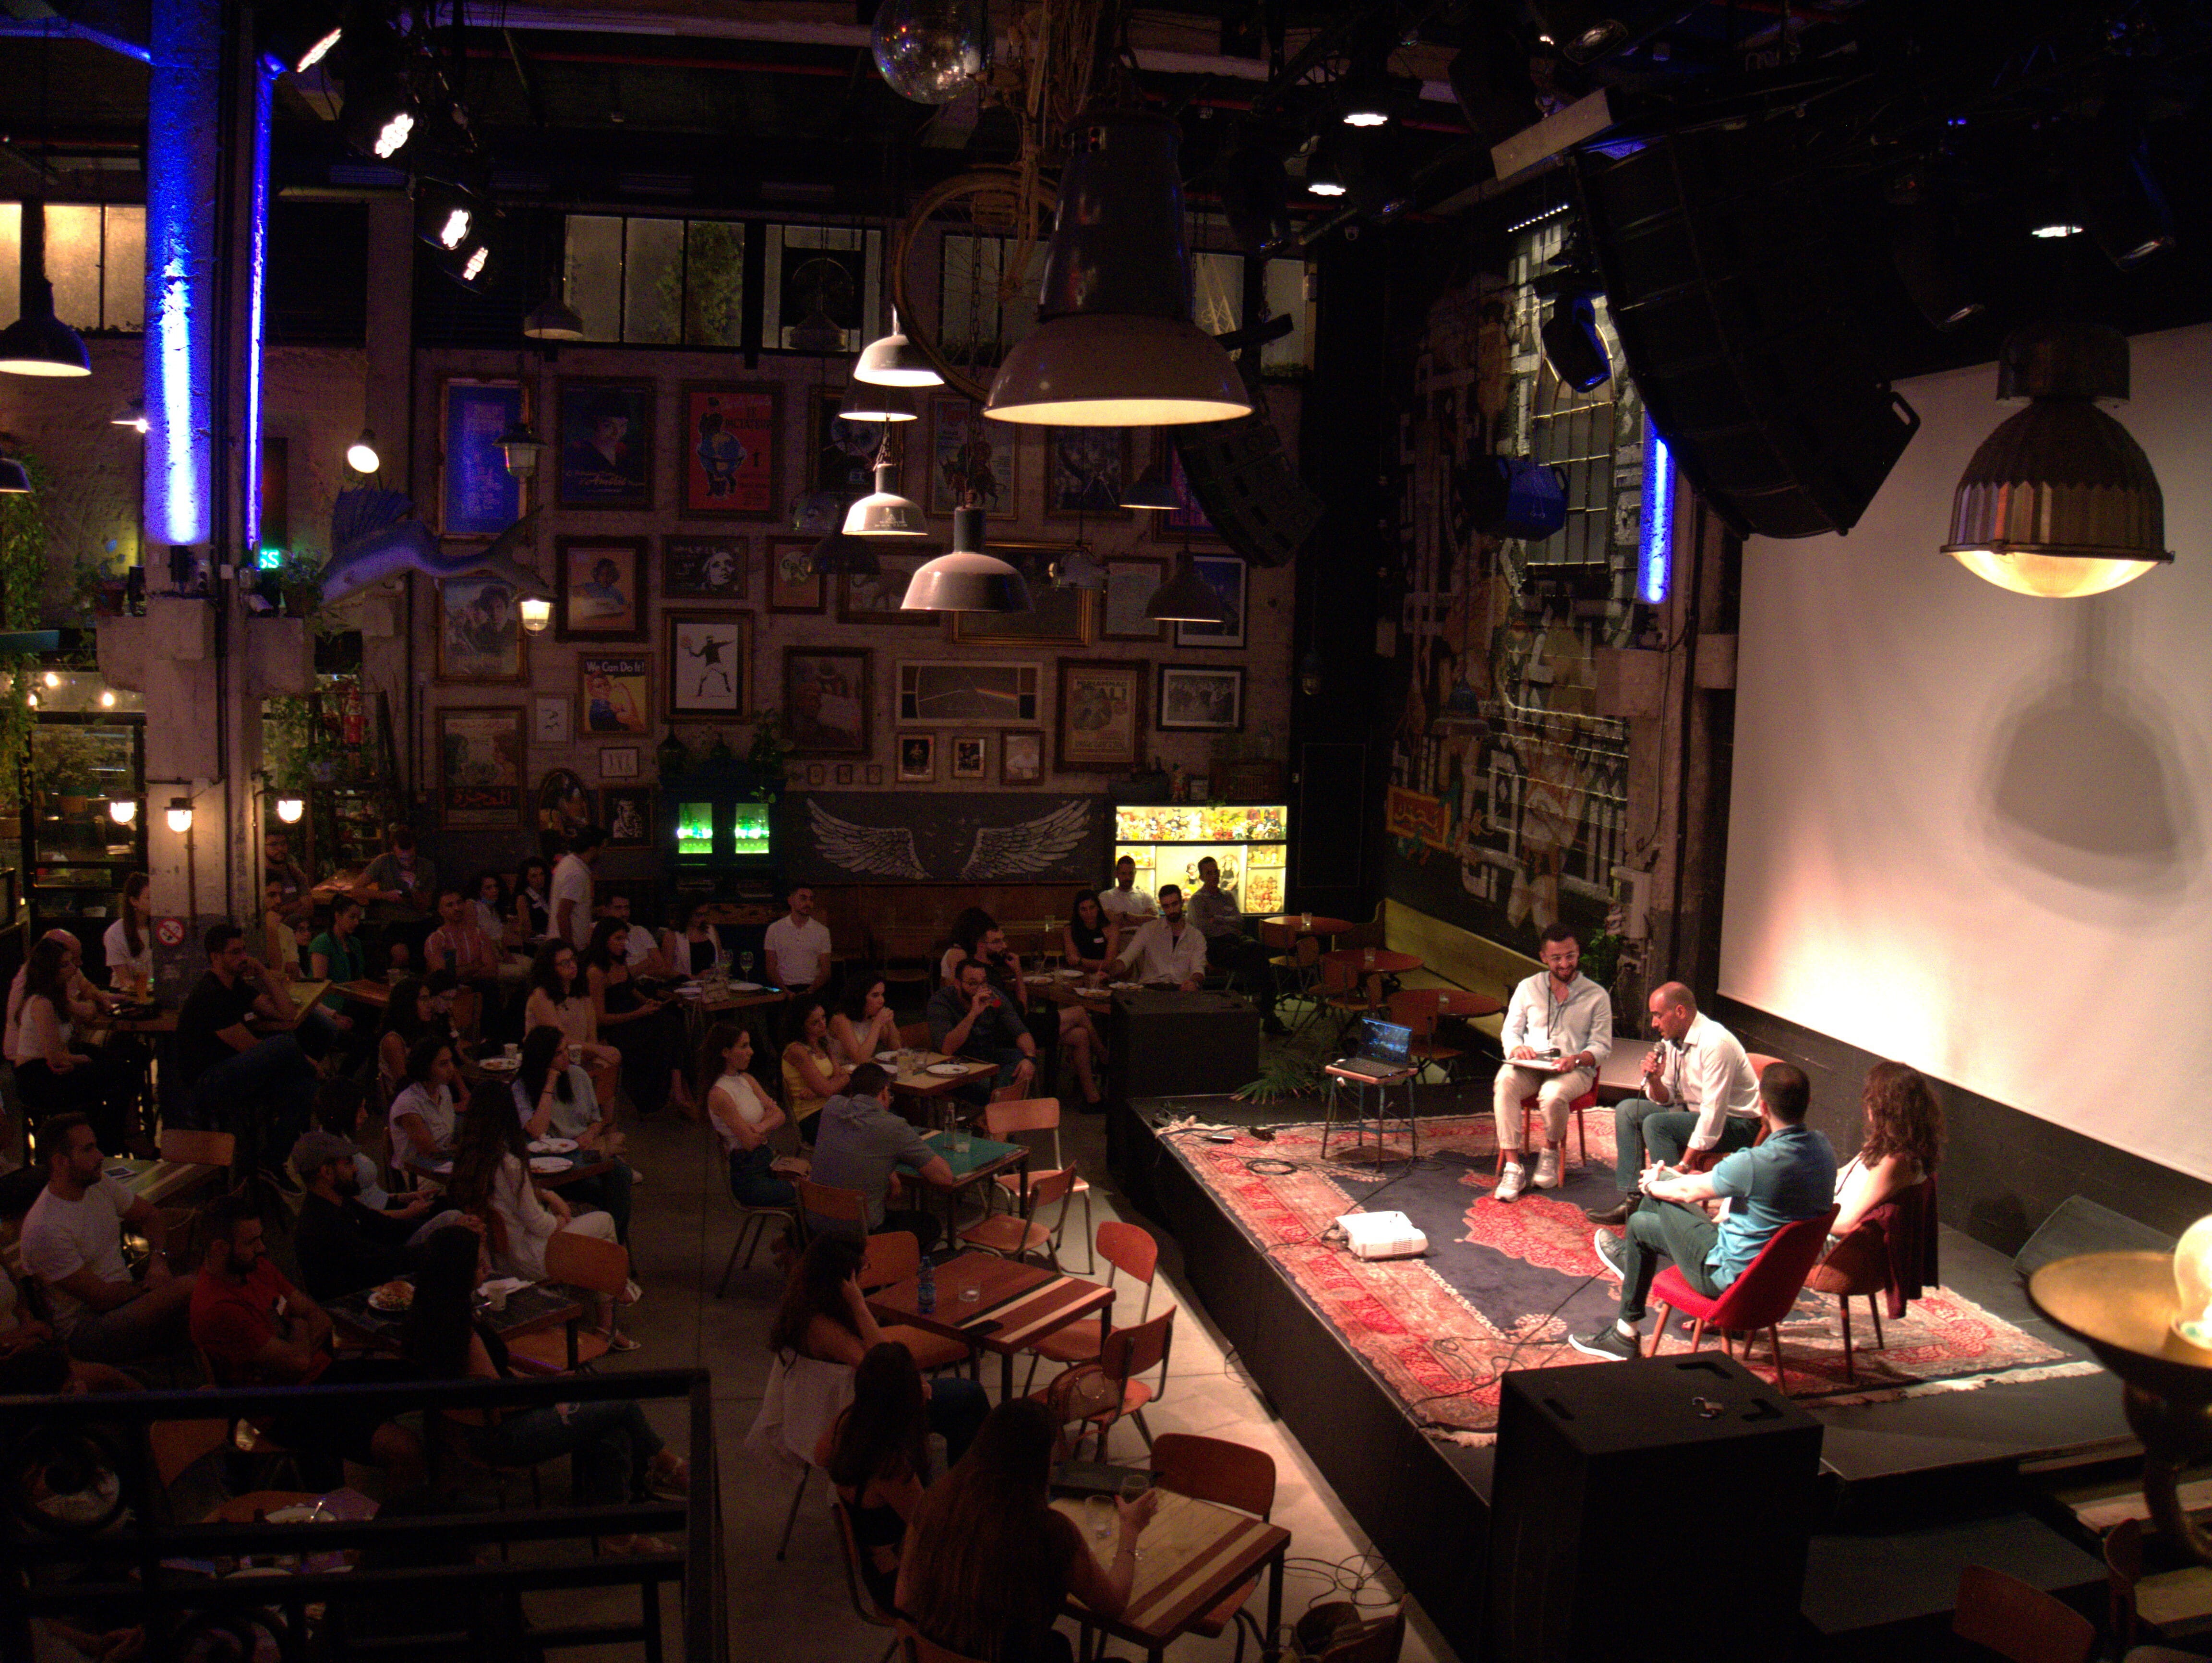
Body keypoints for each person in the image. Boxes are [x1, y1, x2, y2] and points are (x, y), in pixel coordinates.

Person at [399, 1225, 685, 1555]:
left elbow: (498, 1378)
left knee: (611, 1427)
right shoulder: (460, 1331)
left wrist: (545, 1381)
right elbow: (498, 1400)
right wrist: (550, 1390)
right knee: (618, 1402)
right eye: (480, 1265)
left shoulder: (432, 1314)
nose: (489, 1270)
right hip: (498, 1437)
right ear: (458, 1272)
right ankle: (668, 1469)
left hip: (470, 1426)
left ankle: (621, 1526)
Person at [1572, 1061, 1837, 1361]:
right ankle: (1631, 1267)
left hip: (1726, 1282)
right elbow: (1701, 1186)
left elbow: (1687, 1193)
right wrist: (1669, 1180)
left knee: (1646, 1214)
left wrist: (1651, 1184)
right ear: (1809, 1103)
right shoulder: (1823, 1151)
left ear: (1762, 1107)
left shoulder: (1756, 1163)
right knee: (1647, 1217)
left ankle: (1625, 1329)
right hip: (1773, 1286)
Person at [897, 1398, 1157, 1663]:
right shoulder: (1049, 1532)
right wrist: (1130, 1528)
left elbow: (902, 1602)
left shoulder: (933, 1504)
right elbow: (1113, 1605)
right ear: (1039, 1463)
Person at [190, 1194, 426, 1484]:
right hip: (284, 1409)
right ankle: (405, 1520)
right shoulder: (218, 1308)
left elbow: (319, 1317)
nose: (263, 1248)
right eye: (252, 1242)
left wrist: (296, 1332)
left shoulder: (255, 1268)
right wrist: (300, 1323)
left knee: (425, 1375)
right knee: (405, 1449)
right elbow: (299, 1360)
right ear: (219, 1248)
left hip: (321, 1376)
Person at [444, 1078, 635, 1351]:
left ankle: (614, 1301)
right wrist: (560, 1218)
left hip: (499, 1258)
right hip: (530, 1259)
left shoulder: (467, 1160)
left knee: (590, 1233)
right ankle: (607, 1324)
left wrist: (547, 1195)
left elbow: (511, 1206)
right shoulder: (508, 1164)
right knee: (604, 1222)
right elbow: (539, 1225)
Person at [770, 1236, 986, 1463]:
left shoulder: (806, 1307)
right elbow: (883, 1367)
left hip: (859, 1403)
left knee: (962, 1398)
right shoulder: (822, 1328)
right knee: (970, 1399)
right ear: (844, 1281)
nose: (864, 1276)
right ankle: (962, 1485)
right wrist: (859, 1304)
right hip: (861, 1419)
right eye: (861, 1270)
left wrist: (913, 1381)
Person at [21, 1112, 196, 1364]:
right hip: (87, 1331)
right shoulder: (46, 1227)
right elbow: (101, 1298)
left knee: (217, 1288)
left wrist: (159, 1262)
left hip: (124, 1301)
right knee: (192, 1289)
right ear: (60, 1163)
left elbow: (150, 1216)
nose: (100, 1156)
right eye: (88, 1150)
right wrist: (150, 1289)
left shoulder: (98, 1183)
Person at [1587, 982, 1761, 1228]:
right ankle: (1634, 1199)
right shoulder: (1672, 1042)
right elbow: (1667, 1098)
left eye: (1658, 1016)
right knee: (1629, 1110)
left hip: (1737, 1125)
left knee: (1658, 1124)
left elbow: (1713, 1115)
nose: (1653, 1024)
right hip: (1694, 1113)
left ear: (1680, 1012)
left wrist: (1685, 1165)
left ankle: (1672, 1208)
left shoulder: (1715, 1044)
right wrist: (1656, 1080)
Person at [1492, 922, 1615, 1203]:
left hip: (1575, 1070)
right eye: (1557, 958)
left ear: (1578, 954)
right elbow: (1510, 1031)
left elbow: (1602, 1047)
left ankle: (1550, 1151)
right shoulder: (1528, 988)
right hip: (1532, 1066)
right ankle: (1513, 1166)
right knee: (1505, 1081)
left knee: (1553, 1094)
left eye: (1569, 956)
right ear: (1544, 957)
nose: (1564, 963)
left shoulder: (1597, 995)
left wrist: (1578, 1059)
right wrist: (1516, 1048)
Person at [176, 922, 320, 1150]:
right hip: (207, 1081)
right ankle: (326, 1084)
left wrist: (263, 972)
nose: (243, 957)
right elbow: (250, 1047)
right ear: (215, 957)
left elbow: (287, 1014)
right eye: (235, 952)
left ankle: (273, 1162)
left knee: (303, 1088)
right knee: (284, 1045)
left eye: (244, 950)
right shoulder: (211, 994)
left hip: (234, 1070)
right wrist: (305, 1060)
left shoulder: (236, 986)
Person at [289, 1128, 470, 1301]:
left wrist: (449, 1231)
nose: (355, 1170)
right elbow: (379, 1260)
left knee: (453, 1219)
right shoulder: (322, 1223)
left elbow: (385, 1226)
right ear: (327, 1172)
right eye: (348, 1163)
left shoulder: (340, 1202)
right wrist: (443, 1246)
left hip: (382, 1271)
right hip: (360, 1299)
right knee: (453, 1243)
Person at [817, 1341, 932, 1612]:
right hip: (900, 1583)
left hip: (876, 1567)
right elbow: (931, 1527)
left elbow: (821, 1456)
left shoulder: (847, 1422)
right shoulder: (891, 1469)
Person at [806, 1064, 958, 1253]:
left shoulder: (832, 1107)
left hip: (816, 1222)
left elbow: (859, 1145)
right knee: (930, 1225)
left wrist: (890, 1170)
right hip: (861, 1233)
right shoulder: (893, 1126)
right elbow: (944, 1177)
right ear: (885, 1092)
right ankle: (889, 1275)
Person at [13, 936, 136, 1154]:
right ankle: (107, 1143)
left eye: (71, 962)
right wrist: (83, 1060)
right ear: (49, 970)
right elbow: (56, 1057)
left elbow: (85, 1009)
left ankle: (107, 1138)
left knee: (120, 1064)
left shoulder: (57, 997)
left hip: (52, 1067)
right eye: (65, 964)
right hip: (37, 1076)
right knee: (121, 1075)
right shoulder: (42, 1003)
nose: (73, 968)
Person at [513, 1024, 634, 1241]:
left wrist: (589, 1135)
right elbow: (537, 1129)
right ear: (543, 1057)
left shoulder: (578, 1075)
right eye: (559, 1053)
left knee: (621, 1176)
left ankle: (613, 1246)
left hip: (584, 1154)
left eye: (567, 1050)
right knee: (603, 1191)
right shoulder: (522, 1087)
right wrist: (550, 1083)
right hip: (551, 1162)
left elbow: (597, 1120)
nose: (566, 1057)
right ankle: (603, 1247)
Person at [586, 916, 691, 1117]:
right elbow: (600, 1018)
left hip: (634, 1016)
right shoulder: (596, 973)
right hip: (617, 1026)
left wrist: (648, 1002)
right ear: (604, 940)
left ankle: (677, 1088)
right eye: (618, 939)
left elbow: (630, 990)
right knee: (666, 1029)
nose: (623, 943)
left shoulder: (620, 963)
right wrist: (638, 1013)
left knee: (672, 1020)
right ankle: (674, 1091)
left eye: (625, 939)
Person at [1831, 1060, 1944, 1241]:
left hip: (1834, 1242)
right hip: (1830, 1216)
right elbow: (1842, 1174)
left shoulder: (1895, 1160)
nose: (1867, 1106)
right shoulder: (1890, 1144)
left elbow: (1847, 1225)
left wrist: (1808, 1221)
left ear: (1884, 1108)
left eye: (1871, 1101)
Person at [1186, 857, 1286, 1035]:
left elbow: (1240, 922)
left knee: (1258, 949)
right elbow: (1203, 928)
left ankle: (1262, 1006)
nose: (1214, 876)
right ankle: (1267, 1010)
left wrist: (1218, 919)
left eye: (1216, 871)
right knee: (1256, 961)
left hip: (1235, 939)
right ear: (1201, 877)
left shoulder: (1227, 896)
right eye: (1209, 873)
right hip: (1214, 945)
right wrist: (1227, 923)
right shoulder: (1197, 900)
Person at [705, 1022, 797, 1208]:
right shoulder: (720, 1094)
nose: (751, 1052)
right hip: (748, 1174)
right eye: (744, 1046)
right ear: (726, 1053)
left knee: (815, 1185)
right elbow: (749, 1142)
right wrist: (767, 1122)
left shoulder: (747, 1079)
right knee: (808, 1194)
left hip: (767, 1160)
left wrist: (759, 1127)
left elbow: (780, 1115)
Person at [524, 940, 622, 1110]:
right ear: (550, 968)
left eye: (573, 959)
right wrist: (598, 1050)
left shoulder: (581, 994)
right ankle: (594, 1119)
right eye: (565, 963)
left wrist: (598, 1052)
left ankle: (604, 1122)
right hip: (552, 1059)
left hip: (579, 1055)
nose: (572, 966)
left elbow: (592, 1037)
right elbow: (559, 1039)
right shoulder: (541, 996)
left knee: (613, 1057)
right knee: (597, 1061)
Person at [927, 957, 1039, 1104]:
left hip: (986, 1058)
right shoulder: (941, 1002)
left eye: (984, 982)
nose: (980, 989)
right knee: (993, 1086)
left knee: (1021, 1059)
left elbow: (1020, 1031)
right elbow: (947, 1048)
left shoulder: (994, 998)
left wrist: (1030, 1059)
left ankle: (1001, 1098)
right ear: (958, 984)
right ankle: (1005, 1099)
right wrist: (973, 1014)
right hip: (955, 1066)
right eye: (973, 984)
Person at [425, 884, 505, 1039]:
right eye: (450, 905)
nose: (457, 908)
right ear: (441, 911)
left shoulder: (479, 934)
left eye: (459, 903)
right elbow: (444, 977)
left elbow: (492, 970)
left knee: (490, 987)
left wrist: (461, 972)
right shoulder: (436, 940)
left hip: (479, 987)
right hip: (449, 992)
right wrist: (475, 966)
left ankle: (490, 1043)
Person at [357, 822, 438, 967]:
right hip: (393, 922)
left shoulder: (426, 867)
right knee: (401, 956)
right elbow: (356, 889)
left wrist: (414, 889)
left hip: (420, 921)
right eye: (402, 859)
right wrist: (386, 896)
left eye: (411, 858)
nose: (407, 863)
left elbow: (424, 907)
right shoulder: (384, 862)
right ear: (394, 852)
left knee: (432, 957)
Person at [1106, 884, 1206, 991]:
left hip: (1180, 989)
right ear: (1162, 907)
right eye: (1167, 906)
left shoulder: (1195, 936)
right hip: (1150, 987)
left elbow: (1198, 969)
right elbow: (1128, 956)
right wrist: (1110, 971)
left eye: (1175, 904)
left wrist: (1193, 982)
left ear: (1182, 903)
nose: (1172, 910)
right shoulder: (1149, 929)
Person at [388, 1034, 461, 1173]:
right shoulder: (409, 1105)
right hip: (419, 1171)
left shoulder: (444, 1090)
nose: (451, 1069)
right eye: (443, 1064)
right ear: (425, 1068)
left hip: (444, 1162)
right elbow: (430, 1154)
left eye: (451, 1062)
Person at [782, 999, 850, 1144]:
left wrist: (817, 1090)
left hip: (831, 1106)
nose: (823, 1024)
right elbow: (829, 1089)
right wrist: (846, 1078)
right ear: (802, 1027)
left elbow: (836, 1079)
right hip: (811, 1115)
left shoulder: (823, 1044)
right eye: (815, 1022)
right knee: (865, 1128)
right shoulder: (797, 1051)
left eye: (824, 1017)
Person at [765, 883, 833, 995]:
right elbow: (771, 968)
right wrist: (786, 992)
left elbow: (826, 971)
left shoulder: (822, 931)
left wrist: (809, 992)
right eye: (803, 899)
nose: (808, 903)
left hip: (812, 989)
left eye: (811, 899)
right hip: (783, 988)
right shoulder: (775, 929)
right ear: (790, 901)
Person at [601, 892, 676, 980]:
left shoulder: (640, 931)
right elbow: (615, 975)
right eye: (618, 908)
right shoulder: (598, 932)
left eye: (627, 908)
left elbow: (661, 966)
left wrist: (635, 971)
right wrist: (646, 964)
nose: (624, 913)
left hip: (651, 984)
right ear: (606, 910)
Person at [100, 871, 153, 997]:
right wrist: (147, 987)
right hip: (127, 994)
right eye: (149, 898)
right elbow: (125, 980)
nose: (155, 902)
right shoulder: (116, 933)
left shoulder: (160, 927)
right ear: (134, 901)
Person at [830, 977, 900, 1070]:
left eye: (882, 995)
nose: (882, 1000)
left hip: (864, 1071)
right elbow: (860, 1059)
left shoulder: (872, 1017)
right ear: (860, 997)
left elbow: (896, 1049)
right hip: (843, 1072)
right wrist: (877, 1025)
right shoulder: (841, 1019)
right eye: (875, 996)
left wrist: (890, 1023)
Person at [552, 827, 603, 951]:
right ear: (592, 849)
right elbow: (563, 915)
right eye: (602, 849)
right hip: (572, 949)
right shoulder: (576, 873)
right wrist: (570, 950)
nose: (602, 854)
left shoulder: (568, 863)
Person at [661, 897, 726, 980]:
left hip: (711, 985)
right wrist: (696, 978)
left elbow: (721, 960)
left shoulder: (711, 930)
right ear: (687, 913)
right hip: (685, 986)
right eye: (698, 915)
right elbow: (666, 971)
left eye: (705, 914)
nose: (703, 918)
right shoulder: (673, 935)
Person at [1061, 890, 1119, 977]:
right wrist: (1095, 965)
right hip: (1079, 976)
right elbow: (1072, 961)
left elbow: (1108, 964)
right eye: (1084, 909)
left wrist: (1080, 961)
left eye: (1092, 908)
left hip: (1105, 977)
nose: (1089, 913)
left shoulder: (1111, 929)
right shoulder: (1069, 930)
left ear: (1098, 908)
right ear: (1078, 911)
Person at [263, 827, 313, 924]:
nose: (280, 849)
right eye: (274, 845)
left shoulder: (294, 872)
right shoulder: (259, 876)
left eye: (283, 844)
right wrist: (297, 904)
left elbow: (308, 908)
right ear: (263, 847)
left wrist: (282, 910)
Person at [1097, 855, 1155, 928]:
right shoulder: (1106, 896)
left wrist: (1125, 916)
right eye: (1124, 874)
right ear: (1116, 874)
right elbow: (1113, 922)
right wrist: (1144, 918)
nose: (1128, 877)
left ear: (1135, 873)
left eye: (1131, 873)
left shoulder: (1146, 896)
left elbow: (1155, 920)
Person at [513, 855, 554, 948]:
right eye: (534, 876)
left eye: (542, 874)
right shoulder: (523, 898)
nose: (539, 879)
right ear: (526, 878)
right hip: (536, 944)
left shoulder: (547, 894)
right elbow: (526, 931)